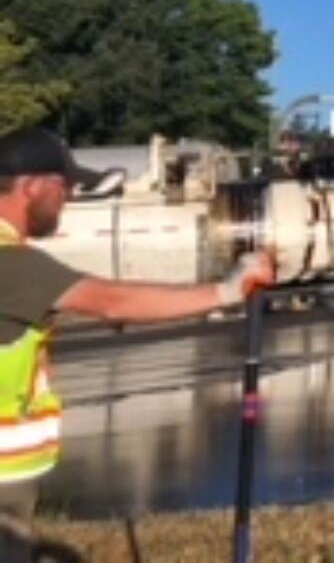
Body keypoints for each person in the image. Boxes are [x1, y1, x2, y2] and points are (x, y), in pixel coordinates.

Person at [0, 126, 276, 560]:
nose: (69, 199)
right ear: (31, 186)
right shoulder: (11, 262)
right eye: (64, 186)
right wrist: (225, 292)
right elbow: (110, 301)